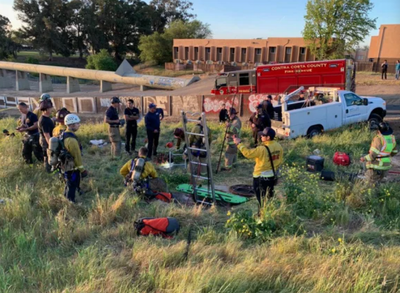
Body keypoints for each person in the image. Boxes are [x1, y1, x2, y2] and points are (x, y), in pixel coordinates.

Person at [233, 127, 283, 208]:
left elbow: (248, 153)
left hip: (260, 178)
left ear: (268, 137)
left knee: (261, 199)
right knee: (269, 196)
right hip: (272, 176)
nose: (261, 137)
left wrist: (239, 144)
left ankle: (262, 214)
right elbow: (280, 160)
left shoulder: (262, 149)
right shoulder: (278, 146)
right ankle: (270, 212)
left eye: (263, 135)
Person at [62, 114, 88, 202]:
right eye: (77, 123)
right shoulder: (71, 140)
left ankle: (66, 197)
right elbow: (76, 157)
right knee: (71, 184)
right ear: (72, 125)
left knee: (69, 182)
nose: (79, 125)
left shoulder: (65, 134)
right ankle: (70, 202)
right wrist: (82, 170)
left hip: (66, 164)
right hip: (71, 166)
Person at [221, 108, 242, 172]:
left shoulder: (237, 121)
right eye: (228, 115)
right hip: (232, 141)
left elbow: (236, 130)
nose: (229, 116)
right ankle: (234, 164)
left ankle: (228, 168)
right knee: (234, 153)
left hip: (232, 142)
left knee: (229, 154)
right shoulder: (231, 120)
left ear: (234, 114)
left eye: (230, 115)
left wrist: (230, 126)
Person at [38, 101, 55, 172]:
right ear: (47, 109)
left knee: (48, 154)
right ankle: (49, 170)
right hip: (46, 140)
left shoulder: (45, 118)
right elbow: (46, 134)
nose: (52, 109)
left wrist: (52, 120)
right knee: (48, 154)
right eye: (51, 108)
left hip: (44, 139)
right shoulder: (44, 121)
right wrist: (51, 146)